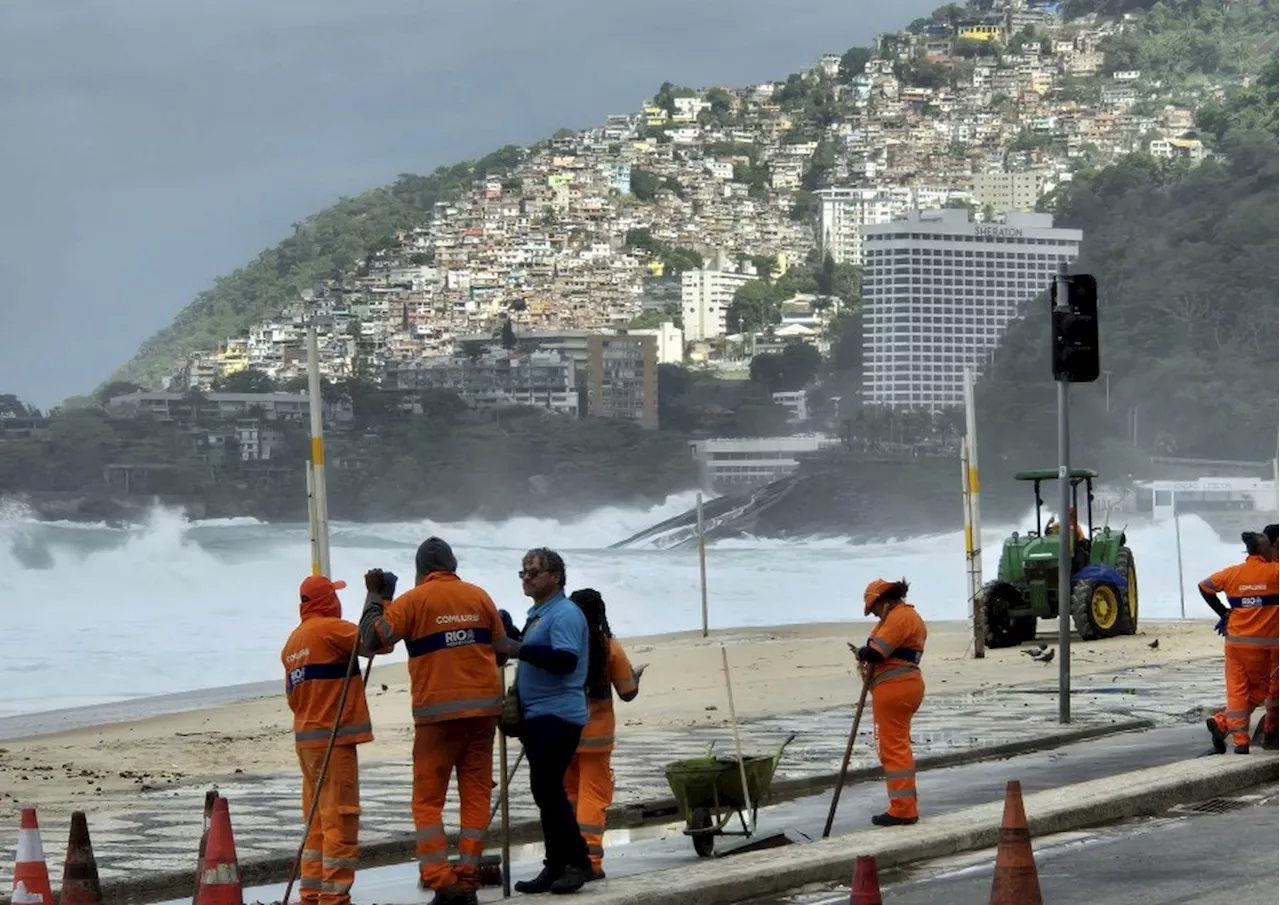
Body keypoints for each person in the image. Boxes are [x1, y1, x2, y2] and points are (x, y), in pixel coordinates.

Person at [358, 538, 512, 905]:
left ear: (420, 571)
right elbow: (502, 651)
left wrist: (376, 598)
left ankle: (443, 883)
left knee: (428, 801)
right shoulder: (479, 596)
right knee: (475, 796)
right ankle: (468, 880)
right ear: (452, 564)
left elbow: (372, 641)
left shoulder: (413, 602)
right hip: (482, 716)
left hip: (437, 717)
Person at [281, 575, 373, 905]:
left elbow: (293, 698)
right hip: (333, 741)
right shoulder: (331, 629)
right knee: (340, 818)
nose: (337, 601)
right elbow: (375, 641)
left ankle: (311, 893)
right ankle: (333, 898)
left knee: (317, 822)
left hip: (307, 743)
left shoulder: (293, 643)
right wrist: (378, 600)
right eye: (333, 596)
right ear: (324, 601)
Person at [507, 547, 593, 895]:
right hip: (537, 714)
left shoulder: (565, 614)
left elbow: (565, 661)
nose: (526, 578)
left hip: (558, 713)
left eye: (534, 572)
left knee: (548, 789)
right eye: (523, 572)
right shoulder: (540, 614)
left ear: (555, 577)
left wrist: (518, 649)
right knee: (545, 792)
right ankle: (556, 864)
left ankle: (579, 862)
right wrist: (510, 632)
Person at [564, 588, 647, 881]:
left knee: (570, 795)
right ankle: (590, 860)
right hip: (596, 738)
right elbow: (626, 693)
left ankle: (568, 858)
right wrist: (635, 678)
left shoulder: (564, 645)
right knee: (593, 797)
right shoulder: (608, 646)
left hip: (564, 733)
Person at [849, 578, 927, 827]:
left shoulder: (899, 617)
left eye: (874, 608)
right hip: (904, 686)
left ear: (884, 600)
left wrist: (862, 653)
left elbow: (877, 652)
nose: (873, 614)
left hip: (894, 688)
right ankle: (907, 804)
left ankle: (902, 809)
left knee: (892, 748)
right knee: (899, 746)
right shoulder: (907, 617)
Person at [1201, 530, 1280, 755]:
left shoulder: (1233, 574)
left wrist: (1223, 612)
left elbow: (1204, 586)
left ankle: (1240, 740)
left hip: (1235, 644)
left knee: (1237, 690)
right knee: (1261, 690)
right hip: (1265, 647)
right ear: (1264, 549)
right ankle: (1224, 723)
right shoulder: (1275, 572)